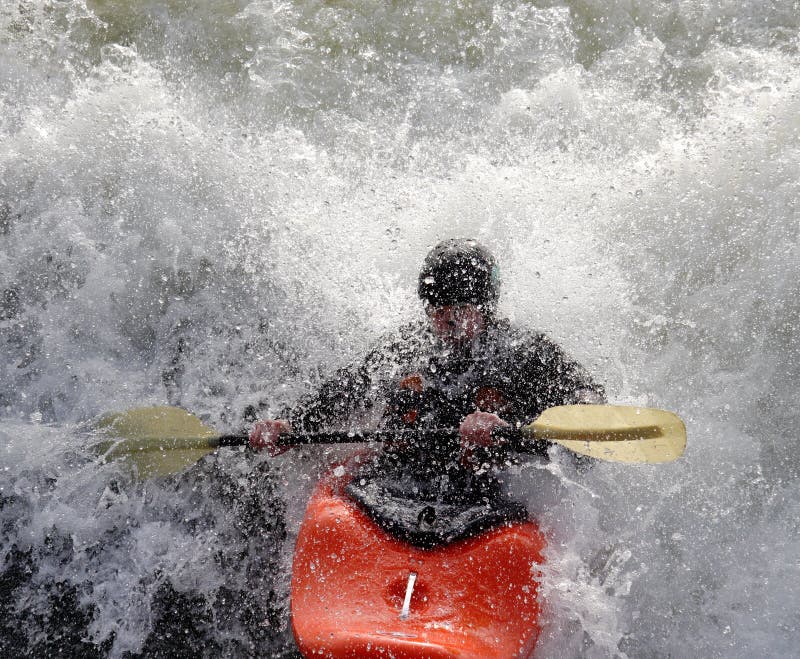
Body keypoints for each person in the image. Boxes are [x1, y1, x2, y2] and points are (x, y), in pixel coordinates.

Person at [248, 238, 604, 470]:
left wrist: (509, 430)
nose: (447, 320)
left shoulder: (524, 351)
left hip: (489, 494)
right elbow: (347, 389)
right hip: (394, 490)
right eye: (437, 309)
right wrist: (292, 424)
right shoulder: (404, 348)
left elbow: (588, 402)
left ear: (486, 307)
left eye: (460, 308)